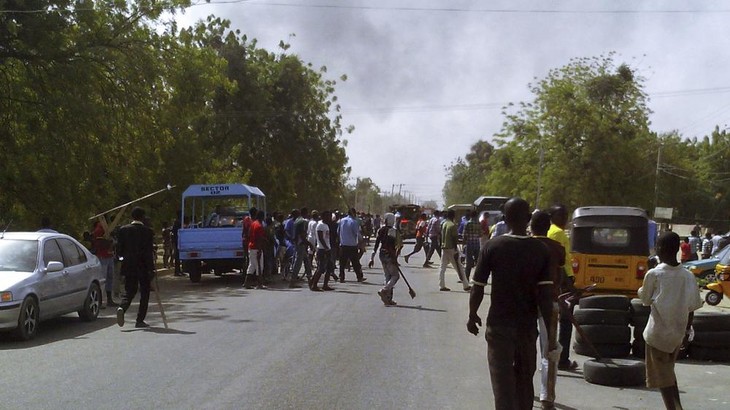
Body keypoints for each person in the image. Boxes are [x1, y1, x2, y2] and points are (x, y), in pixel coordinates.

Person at [467, 197, 554, 410]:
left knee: (502, 383)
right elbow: (545, 296)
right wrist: (549, 335)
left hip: (499, 327)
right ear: (528, 219)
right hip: (526, 328)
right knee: (525, 382)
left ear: (504, 219)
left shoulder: (492, 246)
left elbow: (478, 286)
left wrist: (472, 314)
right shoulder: (541, 250)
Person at [638, 231, 702, 410]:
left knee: (662, 379)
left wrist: (649, 270)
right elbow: (692, 308)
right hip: (676, 335)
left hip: (656, 335)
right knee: (668, 374)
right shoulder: (688, 276)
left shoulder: (654, 274)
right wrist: (687, 332)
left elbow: (644, 300)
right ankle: (678, 407)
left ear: (659, 249)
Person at [531, 211, 566, 410]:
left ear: (531, 226)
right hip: (549, 303)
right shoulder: (557, 248)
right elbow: (559, 275)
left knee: (523, 347)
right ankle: (546, 398)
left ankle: (522, 389)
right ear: (548, 226)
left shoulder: (523, 247)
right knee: (549, 351)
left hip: (526, 303)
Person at [547, 203, 578, 371]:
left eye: (566, 216)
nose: (565, 219)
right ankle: (563, 359)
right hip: (562, 281)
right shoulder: (558, 233)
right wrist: (569, 283)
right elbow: (562, 261)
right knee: (565, 321)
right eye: (561, 216)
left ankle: (554, 357)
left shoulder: (549, 231)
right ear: (552, 217)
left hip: (554, 280)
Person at [116, 207, 155, 328]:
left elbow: (119, 251)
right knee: (144, 293)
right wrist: (151, 269)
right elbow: (149, 252)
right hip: (143, 267)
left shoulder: (123, 230)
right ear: (142, 217)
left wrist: (124, 258)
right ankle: (139, 320)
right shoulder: (148, 232)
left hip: (129, 266)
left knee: (129, 291)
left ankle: (122, 307)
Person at [369, 213, 400, 306]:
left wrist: (372, 258)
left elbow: (376, 244)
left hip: (381, 254)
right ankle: (384, 290)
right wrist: (395, 258)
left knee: (387, 276)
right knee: (395, 276)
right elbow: (394, 246)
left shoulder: (380, 230)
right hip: (389, 255)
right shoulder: (393, 231)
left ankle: (388, 299)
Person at [438, 209, 470, 292]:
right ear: (453, 216)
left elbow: (440, 236)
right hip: (451, 248)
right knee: (459, 267)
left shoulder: (444, 223)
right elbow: (454, 238)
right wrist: (456, 249)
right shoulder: (452, 225)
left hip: (444, 248)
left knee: (442, 267)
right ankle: (466, 285)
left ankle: (441, 285)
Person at [93, 220, 117, 308]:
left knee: (110, 277)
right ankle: (100, 301)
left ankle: (109, 299)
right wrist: (109, 241)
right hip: (102, 257)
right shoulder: (98, 230)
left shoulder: (109, 230)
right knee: (103, 279)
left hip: (109, 256)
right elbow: (99, 244)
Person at [338, 208, 366, 283]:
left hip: (343, 244)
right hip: (352, 245)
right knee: (355, 262)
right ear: (353, 213)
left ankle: (341, 277)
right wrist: (362, 241)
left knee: (342, 263)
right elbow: (357, 233)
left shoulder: (341, 221)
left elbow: (338, 231)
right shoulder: (353, 222)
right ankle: (359, 277)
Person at [309, 211, 335, 291]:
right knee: (321, 268)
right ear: (323, 217)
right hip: (322, 249)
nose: (330, 218)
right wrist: (326, 247)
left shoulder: (326, 225)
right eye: (328, 216)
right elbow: (320, 238)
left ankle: (325, 285)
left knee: (329, 267)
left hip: (327, 248)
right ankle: (314, 285)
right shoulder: (320, 225)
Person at [243, 210, 267, 289]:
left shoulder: (253, 223)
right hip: (257, 248)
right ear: (262, 217)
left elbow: (249, 234)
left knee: (252, 265)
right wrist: (260, 250)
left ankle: (247, 283)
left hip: (251, 246)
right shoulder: (259, 226)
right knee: (259, 266)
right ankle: (259, 284)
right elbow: (259, 239)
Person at [462, 210, 482, 283]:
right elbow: (480, 234)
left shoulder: (467, 223)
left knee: (469, 262)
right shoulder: (478, 223)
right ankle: (477, 278)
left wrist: (463, 244)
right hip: (477, 244)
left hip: (469, 244)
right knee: (478, 261)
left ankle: (466, 278)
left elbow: (464, 235)